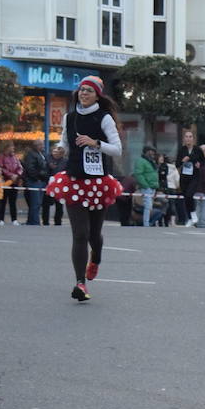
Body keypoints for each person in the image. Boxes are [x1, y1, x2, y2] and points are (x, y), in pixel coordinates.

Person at [45, 75, 125, 301]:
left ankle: (96, 258)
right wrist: (59, 150)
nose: (84, 94)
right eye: (81, 90)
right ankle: (80, 283)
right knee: (79, 234)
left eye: (89, 91)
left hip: (98, 183)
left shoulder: (104, 118)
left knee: (94, 234)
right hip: (74, 180)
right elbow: (64, 141)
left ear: (97, 94)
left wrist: (95, 143)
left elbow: (117, 149)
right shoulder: (70, 117)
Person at [176, 128, 205, 225]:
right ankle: (190, 217)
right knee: (186, 197)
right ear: (184, 139)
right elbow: (177, 164)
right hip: (184, 177)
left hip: (194, 177)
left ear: (193, 139)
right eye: (186, 137)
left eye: (190, 137)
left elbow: (204, 161)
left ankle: (193, 214)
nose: (188, 139)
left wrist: (199, 164)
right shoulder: (182, 150)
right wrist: (182, 161)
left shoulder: (197, 150)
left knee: (189, 195)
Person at [22, 139, 49, 226]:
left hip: (41, 181)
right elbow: (30, 169)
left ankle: (31, 221)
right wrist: (38, 176)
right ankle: (34, 222)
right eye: (41, 144)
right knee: (35, 203)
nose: (43, 146)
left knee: (38, 203)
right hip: (34, 181)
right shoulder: (31, 155)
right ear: (36, 145)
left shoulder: (43, 154)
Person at [0, 144, 23, 224]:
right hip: (4, 181)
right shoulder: (0, 157)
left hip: (14, 182)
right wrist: (10, 175)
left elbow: (20, 167)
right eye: (12, 146)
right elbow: (1, 168)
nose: (13, 148)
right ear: (7, 147)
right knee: (2, 201)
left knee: (13, 201)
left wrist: (17, 175)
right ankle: (1, 219)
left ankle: (14, 219)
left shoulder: (15, 157)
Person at [133, 146, 160, 226]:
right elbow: (138, 174)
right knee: (148, 206)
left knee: (149, 207)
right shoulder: (141, 161)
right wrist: (145, 185)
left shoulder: (150, 161)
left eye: (153, 152)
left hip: (152, 187)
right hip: (147, 187)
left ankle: (147, 222)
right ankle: (146, 223)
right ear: (146, 152)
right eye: (151, 152)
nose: (153, 154)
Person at [47, 144, 68, 226]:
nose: (56, 154)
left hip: (60, 185)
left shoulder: (65, 161)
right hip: (49, 184)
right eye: (54, 151)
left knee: (59, 205)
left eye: (58, 152)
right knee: (47, 203)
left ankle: (58, 221)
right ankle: (46, 221)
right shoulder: (48, 159)